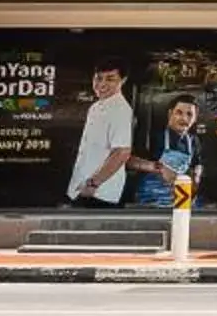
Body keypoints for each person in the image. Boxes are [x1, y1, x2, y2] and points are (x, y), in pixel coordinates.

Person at [67, 62, 138, 206]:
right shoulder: (95, 107)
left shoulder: (121, 110)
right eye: (98, 78)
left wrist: (93, 184)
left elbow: (122, 152)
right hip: (81, 188)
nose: (102, 84)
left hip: (100, 192)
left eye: (110, 79)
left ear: (123, 81)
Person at [130, 94, 202, 208]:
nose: (184, 118)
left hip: (178, 195)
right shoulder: (152, 137)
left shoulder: (193, 141)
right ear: (170, 114)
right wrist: (160, 169)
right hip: (151, 197)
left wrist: (196, 178)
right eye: (179, 113)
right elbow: (129, 161)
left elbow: (196, 164)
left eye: (189, 114)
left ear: (195, 118)